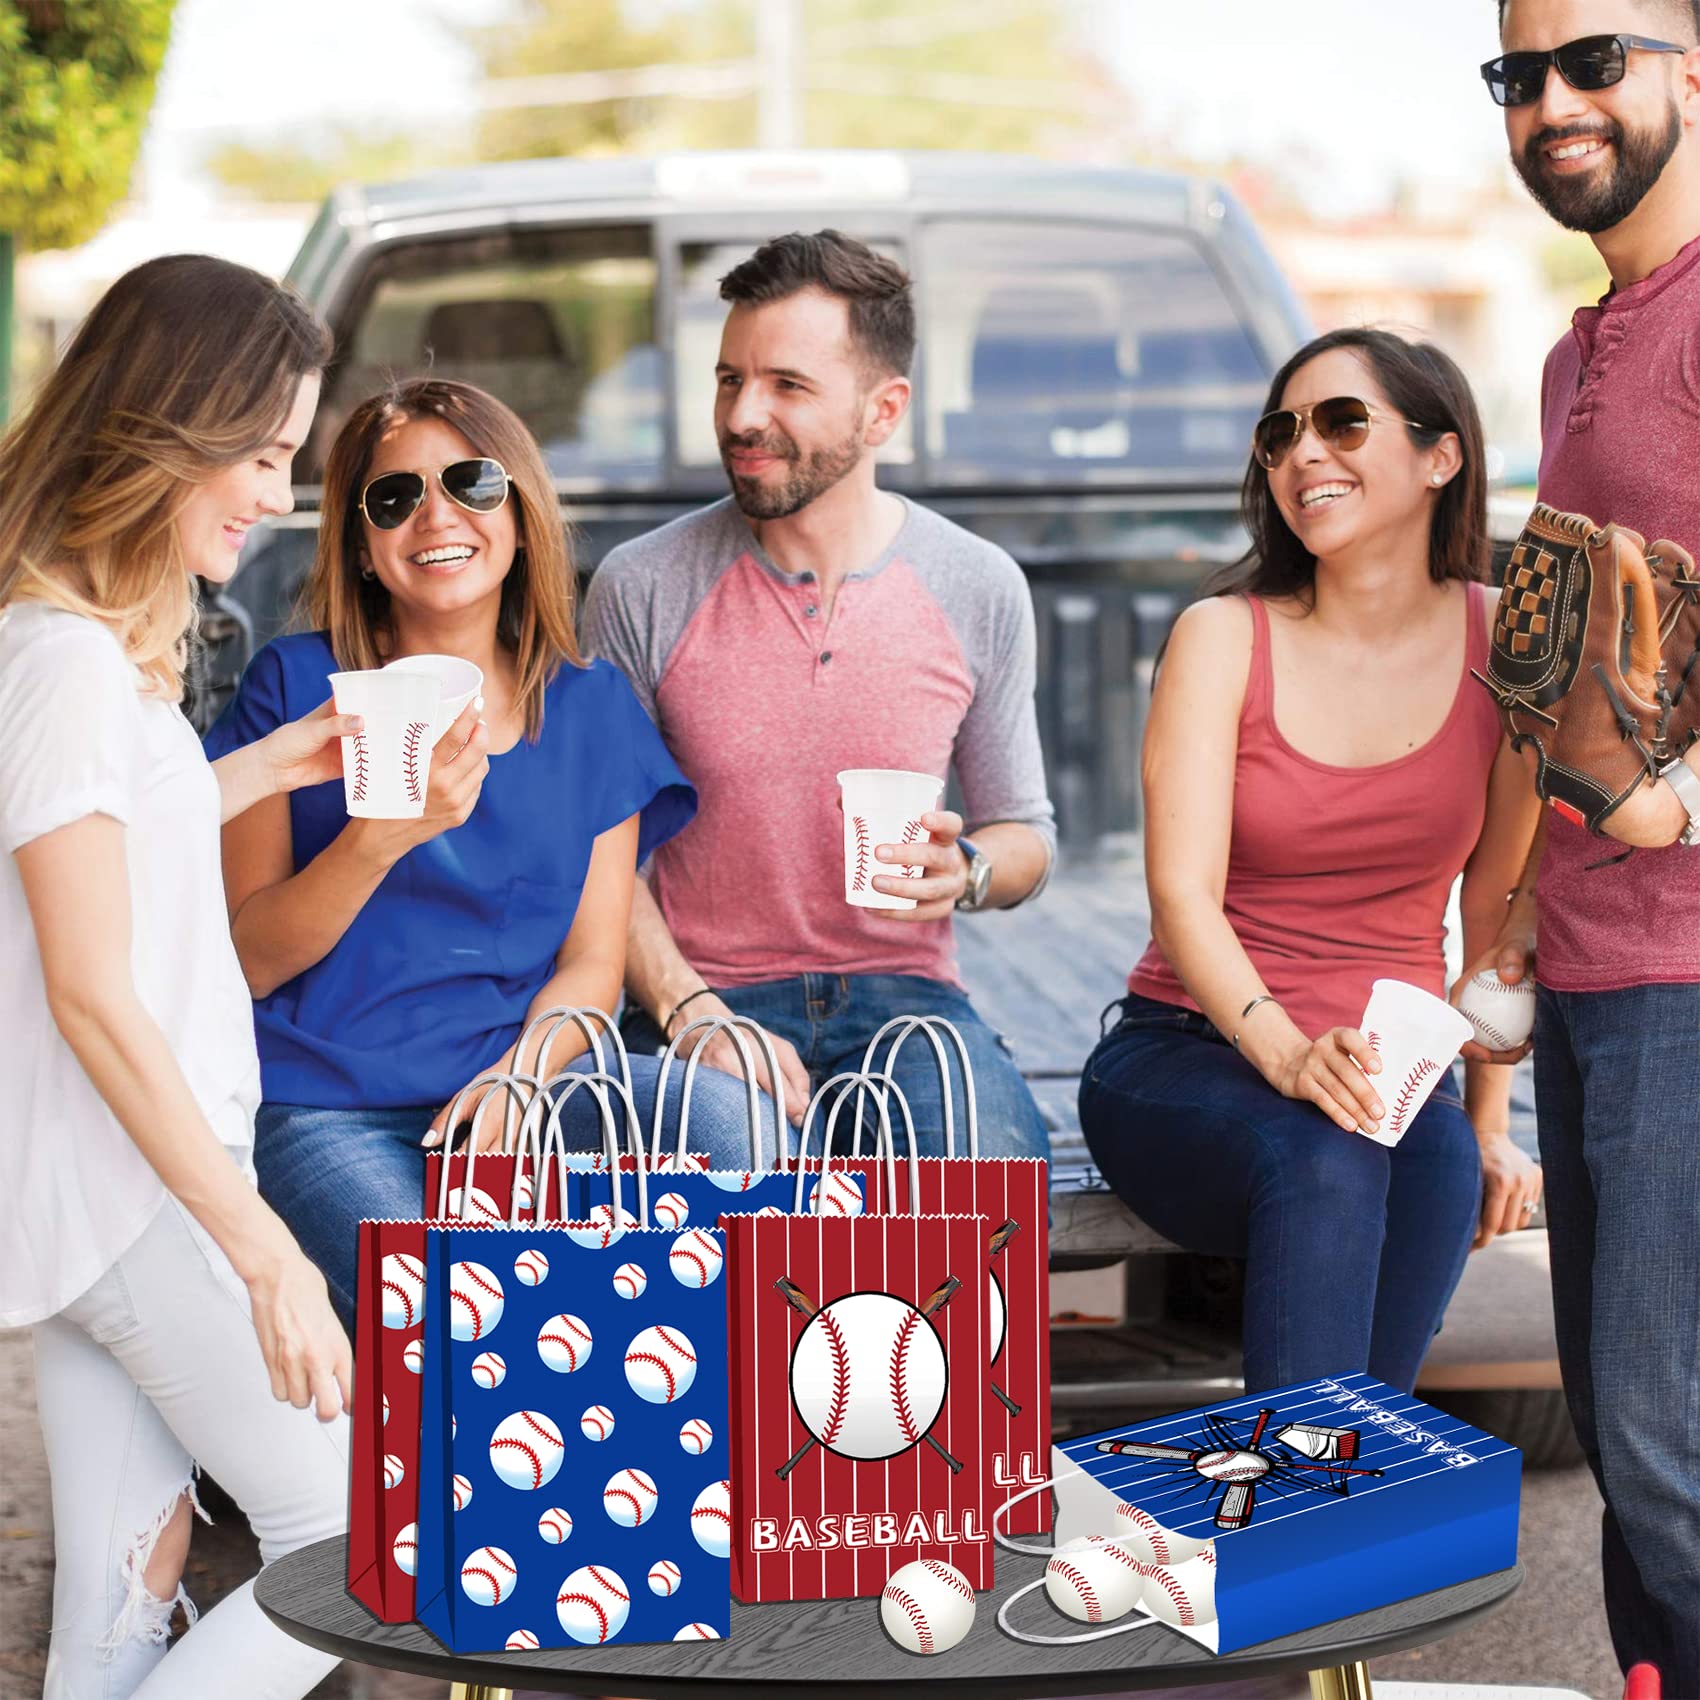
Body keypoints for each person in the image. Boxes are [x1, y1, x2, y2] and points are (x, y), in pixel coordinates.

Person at [205, 378, 751, 1333]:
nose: (435, 515)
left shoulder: (590, 709)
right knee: (454, 1313)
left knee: (731, 1128)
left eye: (471, 481)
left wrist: (524, 1076)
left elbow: (591, 963)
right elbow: (246, 959)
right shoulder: (294, 688)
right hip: (326, 1106)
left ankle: (691, 1442)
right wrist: (380, 840)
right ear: (363, 547)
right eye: (393, 497)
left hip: (523, 1088)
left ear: (523, 513)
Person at [0, 254, 353, 1698]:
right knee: (351, 1547)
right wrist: (263, 1247)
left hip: (107, 1190)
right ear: (170, 426)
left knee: (113, 1610)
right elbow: (87, 985)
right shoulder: (66, 661)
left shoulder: (72, 647)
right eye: (263, 453)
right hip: (143, 1187)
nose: (277, 493)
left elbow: (104, 839)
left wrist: (280, 763)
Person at [1078, 328, 1545, 1396]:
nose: (1302, 455)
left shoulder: (1503, 652)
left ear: (1441, 456)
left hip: (1384, 1082)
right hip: (1189, 1055)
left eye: (1341, 422)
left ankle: (1324, 1514)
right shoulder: (1221, 635)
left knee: (1426, 1165)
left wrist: (1485, 1126)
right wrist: (1287, 1055)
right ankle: (1293, 1517)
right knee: (1324, 1153)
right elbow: (1180, 893)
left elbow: (1493, 903)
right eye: (1279, 433)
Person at [582, 230, 1054, 1158]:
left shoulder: (978, 584)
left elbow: (1025, 832)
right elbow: (604, 858)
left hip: (903, 998)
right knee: (727, 1171)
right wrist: (689, 1011)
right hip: (699, 990)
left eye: (786, 386)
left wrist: (970, 874)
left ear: (883, 412)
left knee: (996, 1183)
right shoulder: (642, 585)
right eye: (729, 379)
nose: (742, 414)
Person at [1468, 3, 1700, 1687]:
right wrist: (1513, 903)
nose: (1554, 100)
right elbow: (1554, 672)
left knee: (1661, 1445)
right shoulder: (1581, 352)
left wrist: (1666, 804)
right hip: (1604, 963)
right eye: (1520, 73)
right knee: (1635, 1471)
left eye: (1594, 58)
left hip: (1691, 966)